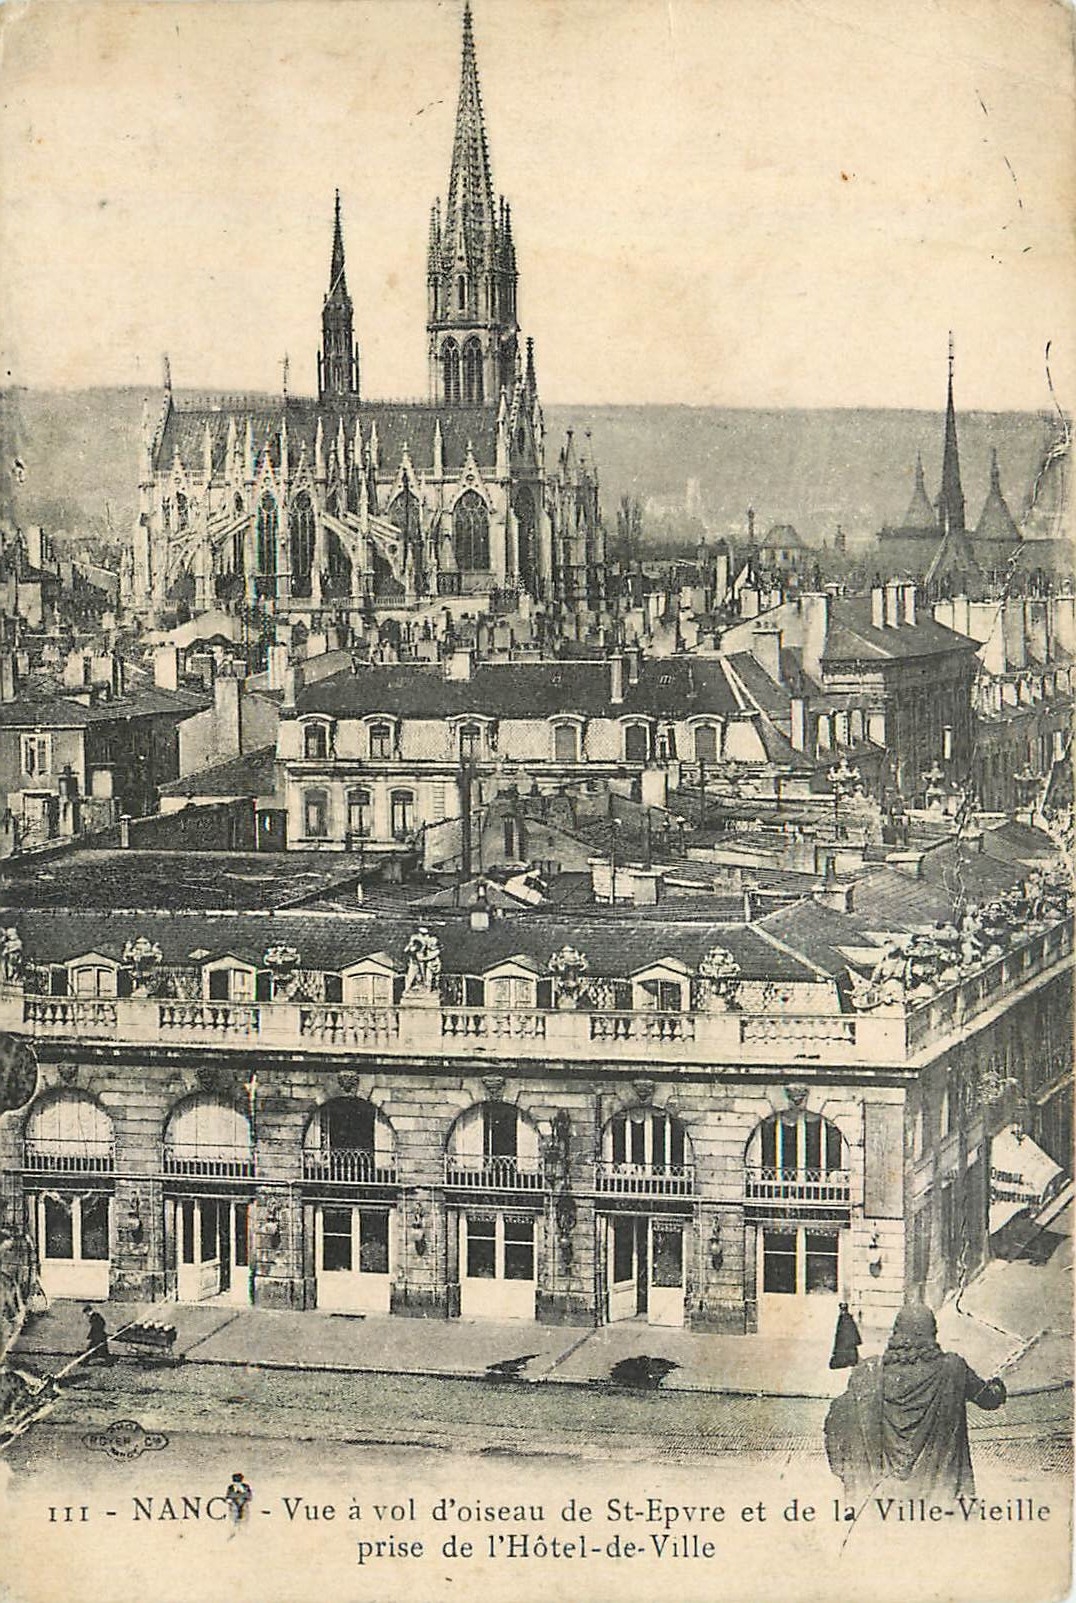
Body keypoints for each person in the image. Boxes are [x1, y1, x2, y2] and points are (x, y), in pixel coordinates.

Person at [825, 1302, 1005, 1504]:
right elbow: (989, 1399)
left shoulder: (872, 1372)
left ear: (897, 1331)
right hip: (940, 1495)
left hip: (884, 1495)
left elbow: (841, 1418)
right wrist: (997, 1385)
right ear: (931, 1332)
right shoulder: (953, 1368)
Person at [829, 1301, 861, 1369]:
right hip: (845, 1343)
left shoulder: (845, 1318)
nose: (842, 1311)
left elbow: (851, 1330)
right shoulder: (847, 1318)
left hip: (845, 1343)